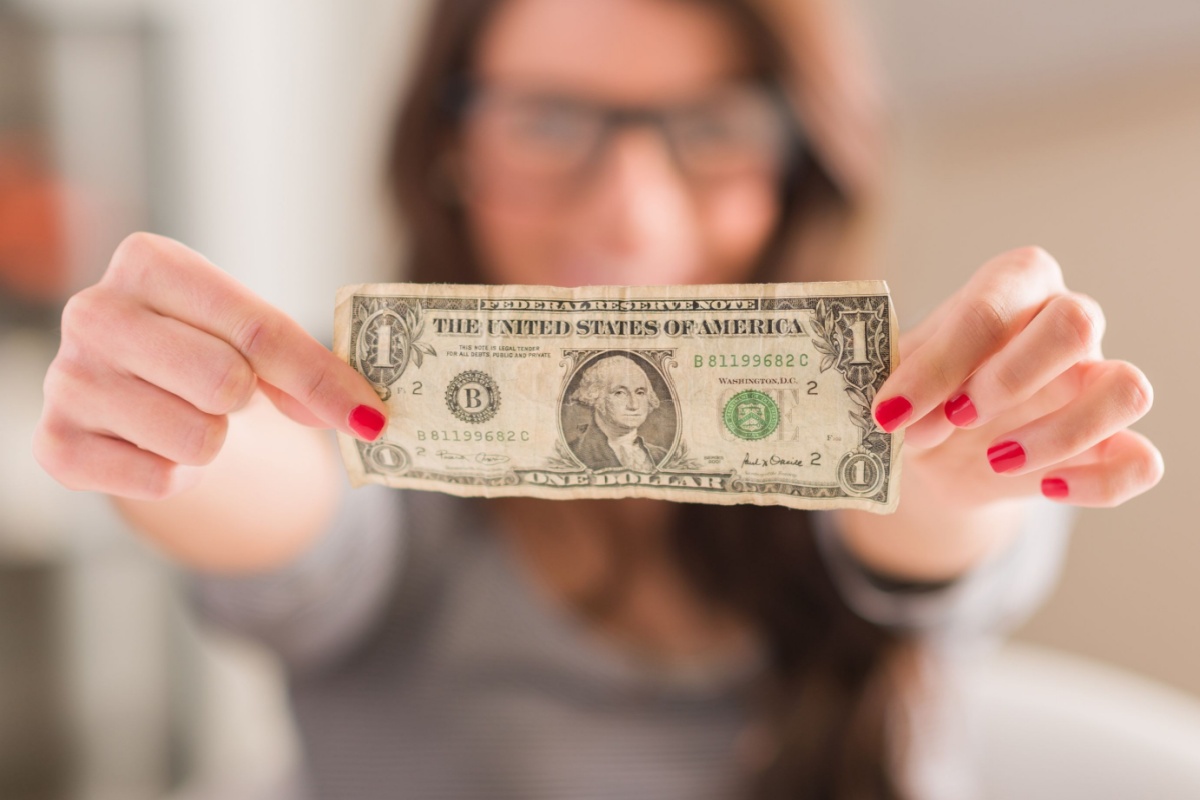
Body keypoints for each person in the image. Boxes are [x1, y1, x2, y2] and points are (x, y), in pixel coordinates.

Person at [33, 0, 1163, 798]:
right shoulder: (373, 442)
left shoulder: (899, 411)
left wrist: (956, 458)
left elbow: (926, 535)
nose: (627, 208)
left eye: (711, 128)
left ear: (798, 164)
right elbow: (290, 508)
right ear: (450, 148)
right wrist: (182, 423)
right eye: (548, 122)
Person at [566, 353, 669, 472]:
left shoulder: (661, 455)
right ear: (595, 396)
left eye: (640, 392)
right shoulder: (573, 454)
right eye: (619, 393)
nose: (634, 405)